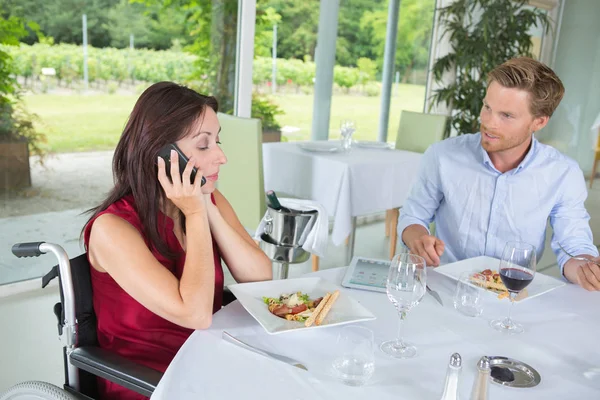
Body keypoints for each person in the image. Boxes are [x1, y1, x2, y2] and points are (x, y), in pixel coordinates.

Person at [83, 81, 272, 399]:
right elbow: (195, 313)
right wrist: (197, 213)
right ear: (161, 153)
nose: (221, 157)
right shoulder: (111, 230)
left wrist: (206, 209)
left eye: (218, 141)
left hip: (207, 366)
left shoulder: (205, 201)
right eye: (203, 145)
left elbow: (259, 276)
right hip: (150, 385)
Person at [398, 57, 600, 291]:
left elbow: (573, 247)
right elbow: (412, 216)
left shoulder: (563, 174)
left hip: (512, 298)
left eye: (506, 115)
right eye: (487, 107)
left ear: (539, 122)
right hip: (444, 289)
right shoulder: (442, 156)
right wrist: (418, 239)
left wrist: (587, 271)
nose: (488, 123)